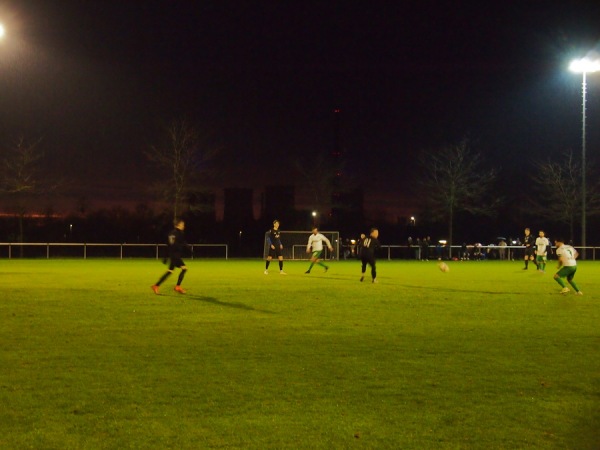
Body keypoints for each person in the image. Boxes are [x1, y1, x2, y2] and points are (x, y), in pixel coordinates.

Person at [151, 218, 189, 294]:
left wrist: (165, 256)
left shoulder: (170, 233)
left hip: (172, 255)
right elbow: (182, 244)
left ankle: (156, 285)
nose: (183, 226)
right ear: (178, 225)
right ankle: (177, 286)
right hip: (176, 255)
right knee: (184, 268)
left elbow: (168, 245)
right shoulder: (179, 233)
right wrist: (189, 250)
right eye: (182, 224)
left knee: (170, 271)